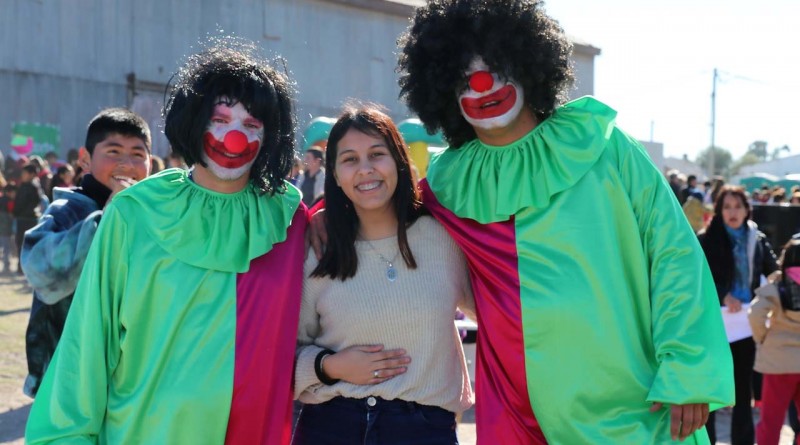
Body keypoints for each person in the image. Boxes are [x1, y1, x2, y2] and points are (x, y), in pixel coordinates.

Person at [392, 1, 734, 442]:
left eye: (495, 66)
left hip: (632, 401)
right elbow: (383, 225)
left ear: (527, 63)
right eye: (463, 77)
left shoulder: (604, 145)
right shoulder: (448, 183)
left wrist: (688, 367)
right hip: (515, 409)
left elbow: (673, 255)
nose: (482, 84)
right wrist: (325, 222)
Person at [25, 39, 306, 444]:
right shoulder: (134, 212)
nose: (234, 138)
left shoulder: (287, 218)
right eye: (220, 119)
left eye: (251, 125)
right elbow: (88, 342)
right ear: (194, 120)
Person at [294, 105, 474, 444]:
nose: (365, 169)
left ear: (399, 161)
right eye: (350, 159)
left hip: (424, 430)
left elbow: (500, 314)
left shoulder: (446, 236)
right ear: (335, 174)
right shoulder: (318, 246)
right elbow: (281, 354)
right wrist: (330, 366)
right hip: (330, 425)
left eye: (377, 154)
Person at [20, 108, 152, 398]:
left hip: (130, 382)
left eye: (137, 154)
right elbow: (41, 272)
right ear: (85, 159)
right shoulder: (67, 211)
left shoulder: (152, 218)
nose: (127, 164)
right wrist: (108, 219)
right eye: (113, 152)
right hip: (68, 380)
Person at [698, 185, 779, 444]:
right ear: (719, 211)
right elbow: (698, 278)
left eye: (737, 206)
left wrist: (768, 293)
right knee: (711, 388)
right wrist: (724, 295)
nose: (732, 212)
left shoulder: (758, 239)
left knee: (743, 390)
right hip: (716, 323)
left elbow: (773, 270)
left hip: (745, 323)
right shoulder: (706, 239)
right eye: (727, 207)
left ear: (747, 210)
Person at [749, 239, 800, 445]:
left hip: (778, 362)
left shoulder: (776, 286)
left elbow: (755, 313)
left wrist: (762, 338)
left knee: (771, 420)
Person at [13, 164, 45, 274]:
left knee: (27, 243)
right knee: (21, 243)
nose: (22, 175)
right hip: (23, 218)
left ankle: (26, 267)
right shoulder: (24, 185)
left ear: (32, 174)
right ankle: (21, 267)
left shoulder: (33, 186)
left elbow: (26, 203)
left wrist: (17, 211)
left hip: (28, 219)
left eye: (25, 173)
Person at [0, 183, 16, 273]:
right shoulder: (10, 201)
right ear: (9, 192)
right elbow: (11, 214)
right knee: (6, 247)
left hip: (2, 227)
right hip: (6, 228)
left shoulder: (1, 199)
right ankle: (6, 265)